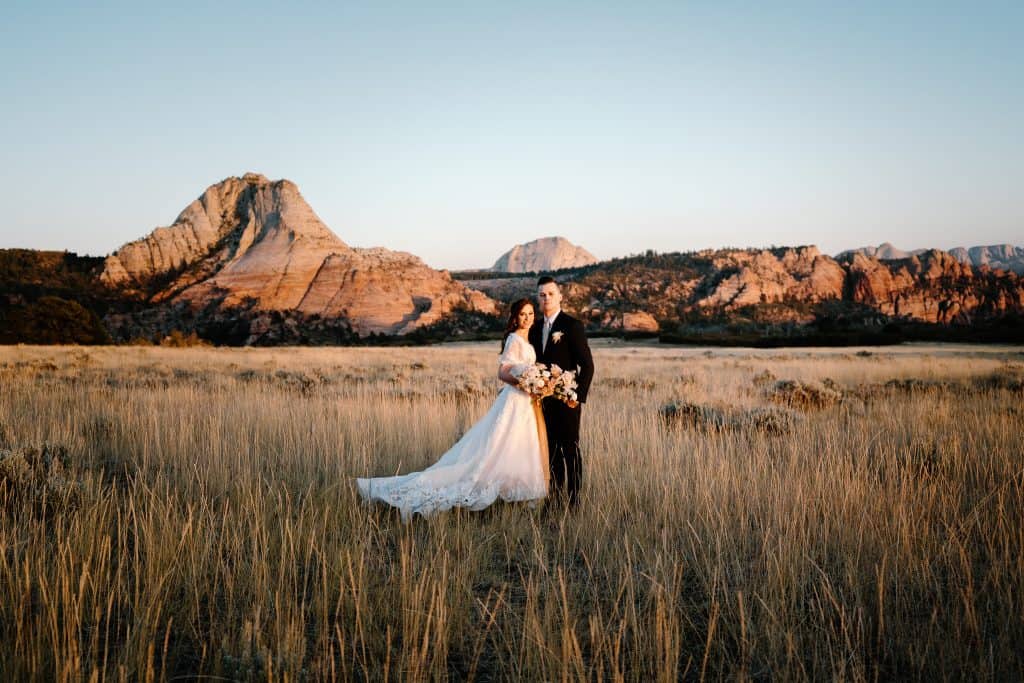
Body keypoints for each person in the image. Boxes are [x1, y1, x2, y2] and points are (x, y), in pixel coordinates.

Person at [356, 299, 548, 520]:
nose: (528, 318)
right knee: (496, 447)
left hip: (526, 402)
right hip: (515, 398)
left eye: (531, 314)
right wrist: (524, 382)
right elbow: (503, 373)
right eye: (523, 314)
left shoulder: (529, 341)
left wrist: (535, 382)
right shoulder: (514, 339)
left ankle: (514, 493)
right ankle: (492, 490)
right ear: (515, 317)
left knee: (517, 444)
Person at [529, 276, 594, 509]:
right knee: (551, 451)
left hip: (567, 400)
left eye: (550, 294)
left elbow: (587, 365)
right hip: (543, 402)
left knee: (570, 450)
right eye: (542, 295)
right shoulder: (535, 329)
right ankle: (554, 499)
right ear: (538, 299)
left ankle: (574, 501)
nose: (546, 298)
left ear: (560, 297)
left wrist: (577, 398)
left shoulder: (572, 326)